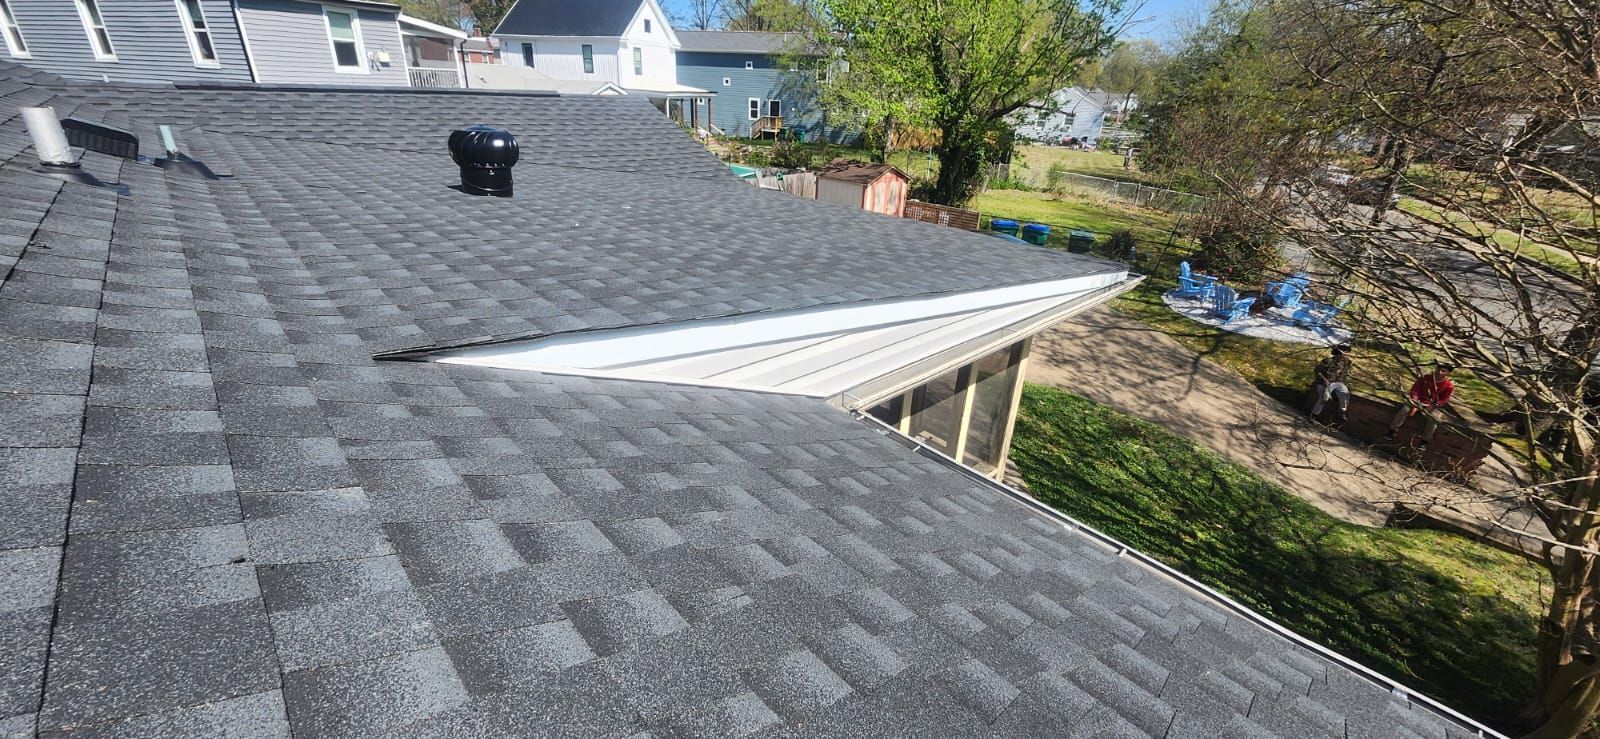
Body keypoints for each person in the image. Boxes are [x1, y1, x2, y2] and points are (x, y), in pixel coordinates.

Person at [1384, 363, 1456, 450]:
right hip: (1418, 401)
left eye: (1443, 371)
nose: (1439, 372)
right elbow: (1415, 390)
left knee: (1435, 418)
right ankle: (1393, 430)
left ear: (1448, 373)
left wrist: (1434, 405)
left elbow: (1444, 399)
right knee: (1405, 409)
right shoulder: (1425, 378)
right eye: (1438, 369)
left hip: (1432, 405)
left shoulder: (1448, 385)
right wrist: (1415, 402)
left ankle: (1424, 441)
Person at [1310, 343, 1352, 423]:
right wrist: (1325, 380)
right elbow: (1318, 371)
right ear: (1339, 353)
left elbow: (1344, 375)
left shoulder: (1348, 363)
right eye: (1346, 352)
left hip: (1337, 383)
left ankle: (1341, 413)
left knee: (1345, 394)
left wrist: (1346, 385)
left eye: (1348, 352)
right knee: (1323, 397)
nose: (1347, 355)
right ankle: (1314, 415)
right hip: (1323, 382)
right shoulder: (1327, 361)